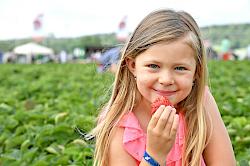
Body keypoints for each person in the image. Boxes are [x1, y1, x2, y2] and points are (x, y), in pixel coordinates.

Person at [91, 9, 236, 166]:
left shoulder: (202, 102)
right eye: (153, 66)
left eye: (180, 68)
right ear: (132, 65)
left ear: (196, 72)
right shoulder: (118, 120)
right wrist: (155, 155)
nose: (166, 80)